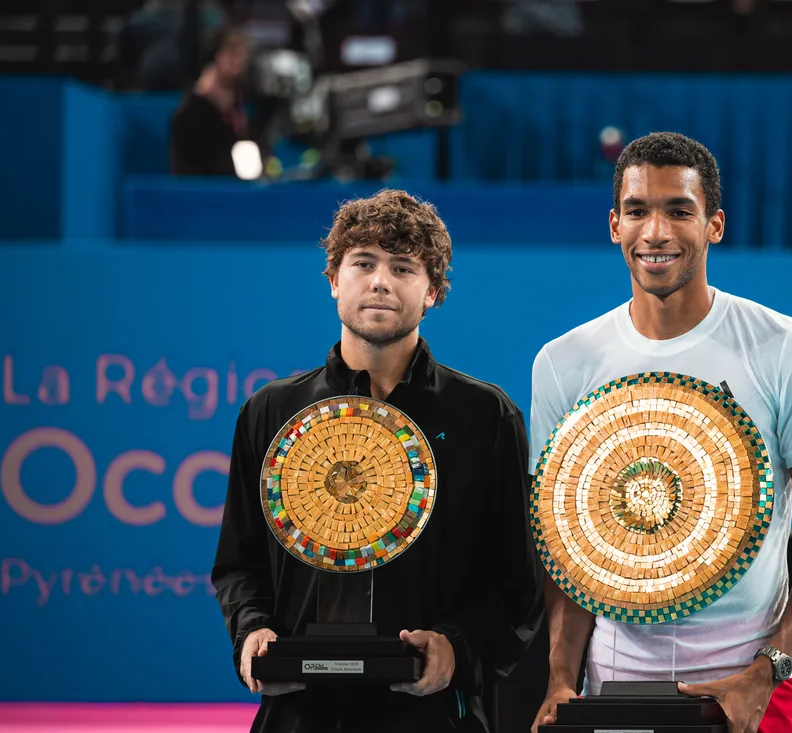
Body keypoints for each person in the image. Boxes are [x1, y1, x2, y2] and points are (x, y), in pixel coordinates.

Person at [528, 132, 792, 733]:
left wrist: (766, 670)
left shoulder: (787, 349)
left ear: (715, 225)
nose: (656, 231)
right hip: (612, 684)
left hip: (757, 686)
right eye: (637, 211)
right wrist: (559, 678)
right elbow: (565, 552)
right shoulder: (562, 363)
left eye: (679, 210)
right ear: (614, 225)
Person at [211, 190, 544, 733]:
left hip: (434, 717)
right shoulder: (272, 411)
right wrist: (252, 635)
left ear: (433, 290)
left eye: (403, 267)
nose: (380, 281)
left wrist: (455, 651)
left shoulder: (485, 416)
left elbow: (518, 589)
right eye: (363, 263)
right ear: (334, 280)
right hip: (299, 713)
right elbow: (239, 564)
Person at [170, 25, 250, 176]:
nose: (239, 61)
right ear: (217, 57)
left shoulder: (241, 101)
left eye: (241, 55)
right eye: (232, 54)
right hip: (200, 187)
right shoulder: (192, 112)